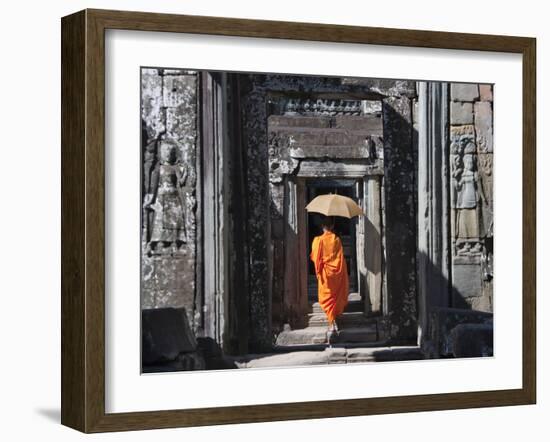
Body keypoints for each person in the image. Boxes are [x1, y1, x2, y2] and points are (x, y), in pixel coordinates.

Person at [310, 216, 349, 340]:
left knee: (327, 298)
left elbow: (314, 258)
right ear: (332, 226)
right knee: (335, 297)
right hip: (335, 275)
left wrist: (320, 267)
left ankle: (331, 323)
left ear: (322, 226)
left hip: (325, 275)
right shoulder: (336, 239)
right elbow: (340, 259)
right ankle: (334, 321)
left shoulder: (317, 240)